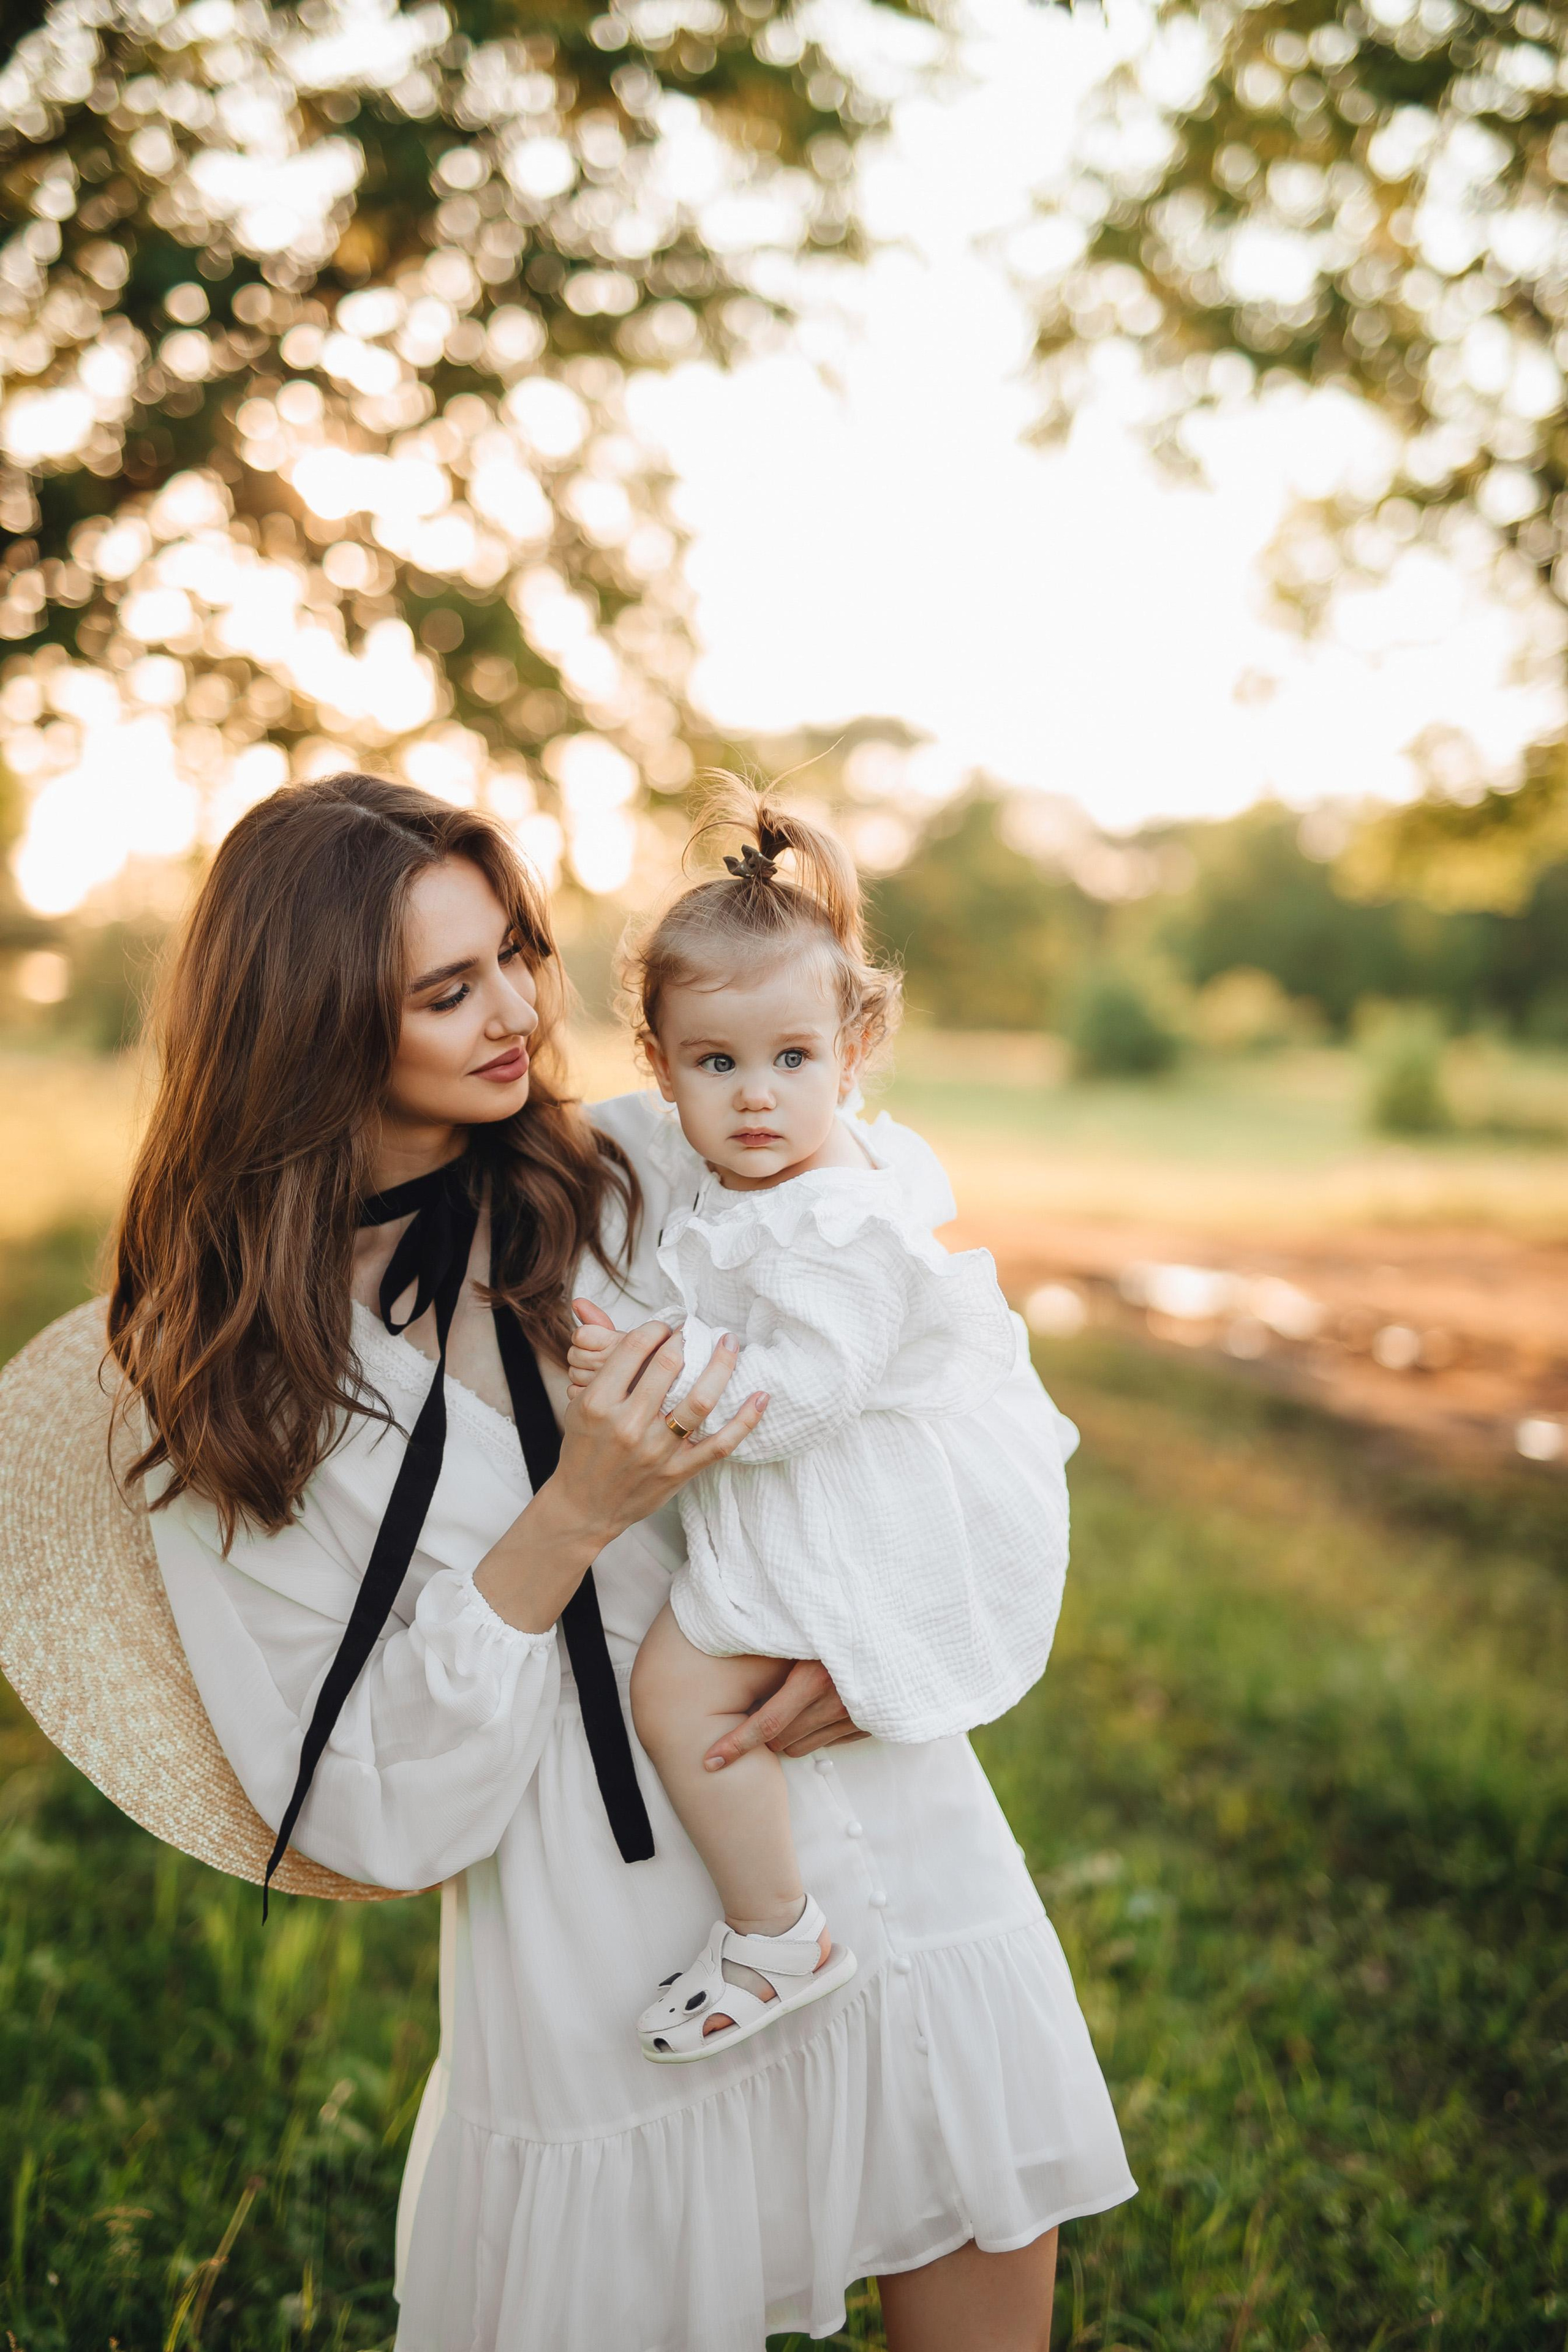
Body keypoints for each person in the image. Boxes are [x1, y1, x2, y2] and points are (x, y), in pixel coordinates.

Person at [0, 772, 1134, 2350]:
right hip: (592, 1942)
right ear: (314, 1020)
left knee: (968, 2228)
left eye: (519, 955)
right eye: (446, 988)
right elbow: (372, 1806)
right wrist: (574, 1512)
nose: (517, 1011)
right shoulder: (236, 1383)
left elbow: (942, 1380)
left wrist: (886, 1638)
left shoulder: (636, 1166)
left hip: (873, 1827)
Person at [567, 783, 1075, 2068]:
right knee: (683, 1681)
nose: (754, 1098)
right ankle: (771, 1919)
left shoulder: (833, 1216)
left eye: (791, 1061)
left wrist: (659, 1367)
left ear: (849, 1053)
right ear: (659, 1065)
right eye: (715, 1064)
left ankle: (773, 1930)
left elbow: (809, 1395)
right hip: (815, 1488)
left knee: (676, 1690)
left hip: (845, 1499)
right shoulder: (769, 1175)